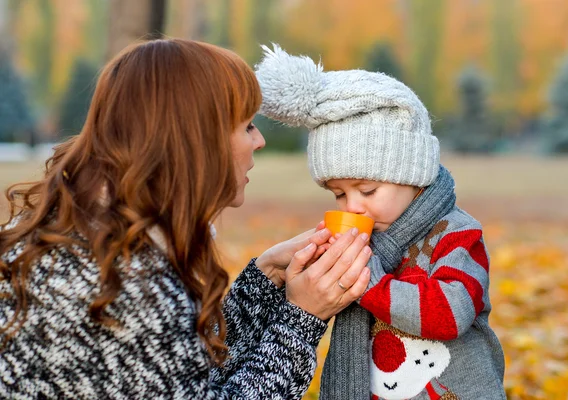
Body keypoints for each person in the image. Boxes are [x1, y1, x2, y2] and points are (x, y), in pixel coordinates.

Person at [0, 39, 373, 399]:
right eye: (245, 126)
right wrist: (303, 317)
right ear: (198, 143)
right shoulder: (126, 283)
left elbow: (182, 367)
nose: (258, 140)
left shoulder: (94, 238)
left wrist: (263, 280)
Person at [255, 45, 506, 400]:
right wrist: (319, 275)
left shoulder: (456, 235)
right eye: (338, 195)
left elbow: (451, 314)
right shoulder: (366, 239)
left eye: (367, 190)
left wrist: (365, 280)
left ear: (414, 178)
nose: (353, 206)